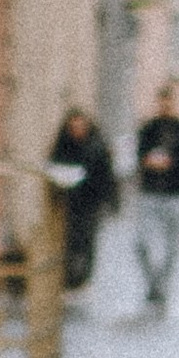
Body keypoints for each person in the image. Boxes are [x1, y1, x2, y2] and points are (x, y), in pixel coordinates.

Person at [132, 86, 179, 310]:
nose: (165, 106)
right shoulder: (149, 128)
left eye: (169, 102)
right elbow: (139, 154)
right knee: (141, 243)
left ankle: (161, 289)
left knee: (172, 246)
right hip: (150, 192)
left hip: (175, 194)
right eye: (162, 102)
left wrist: (171, 163)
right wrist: (148, 162)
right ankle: (154, 285)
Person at [48, 105, 117, 291]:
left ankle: (82, 277)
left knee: (87, 238)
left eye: (80, 126)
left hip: (91, 200)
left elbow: (107, 175)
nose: (77, 130)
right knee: (71, 239)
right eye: (73, 127)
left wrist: (111, 200)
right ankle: (70, 278)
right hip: (71, 199)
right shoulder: (64, 144)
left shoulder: (97, 144)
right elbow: (55, 165)